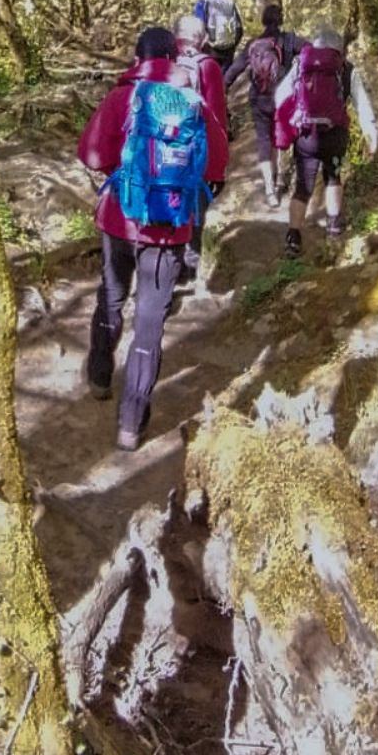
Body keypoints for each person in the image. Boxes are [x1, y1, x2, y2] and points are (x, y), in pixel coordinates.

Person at [79, 25, 229, 450]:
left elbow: (90, 153)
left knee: (112, 295)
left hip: (119, 220)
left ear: (136, 58)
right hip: (171, 229)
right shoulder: (193, 103)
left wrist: (122, 169)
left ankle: (100, 375)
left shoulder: (121, 97)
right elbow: (217, 164)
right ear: (175, 58)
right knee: (149, 323)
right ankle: (131, 422)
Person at [272, 24, 378, 252]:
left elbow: (280, 97)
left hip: (306, 136)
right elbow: (362, 103)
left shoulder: (301, 65)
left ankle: (293, 238)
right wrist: (371, 133)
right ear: (339, 49)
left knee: (303, 187)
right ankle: (333, 229)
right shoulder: (346, 69)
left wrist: (292, 120)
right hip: (335, 136)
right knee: (333, 178)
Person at [224, 2, 300, 206]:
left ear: (263, 20)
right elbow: (311, 53)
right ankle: (280, 178)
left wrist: (223, 87)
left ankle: (269, 188)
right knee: (281, 137)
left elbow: (235, 69)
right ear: (281, 19)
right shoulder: (290, 40)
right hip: (283, 99)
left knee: (264, 140)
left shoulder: (254, 44)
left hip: (259, 99)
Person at [172, 11, 229, 277]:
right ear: (204, 38)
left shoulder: (163, 61)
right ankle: (188, 268)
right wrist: (217, 168)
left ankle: (166, 271)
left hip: (159, 153)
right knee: (194, 211)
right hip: (195, 155)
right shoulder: (208, 66)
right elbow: (215, 118)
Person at [192, 0, 243, 67]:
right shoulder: (229, 1)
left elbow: (198, 29)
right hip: (228, 50)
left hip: (210, 51)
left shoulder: (202, 3)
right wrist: (231, 45)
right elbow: (239, 29)